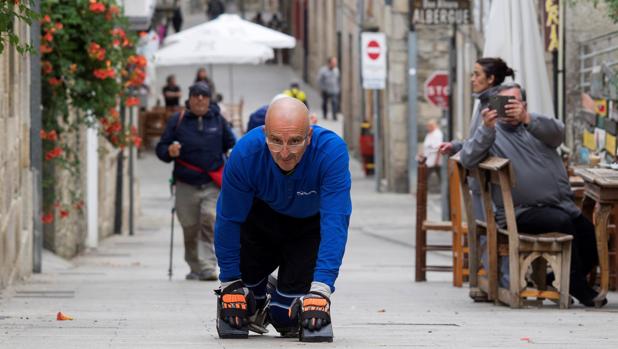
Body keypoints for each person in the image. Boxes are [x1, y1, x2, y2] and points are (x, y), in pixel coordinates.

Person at [214, 96, 351, 340]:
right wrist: (230, 282)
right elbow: (228, 219)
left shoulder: (331, 152)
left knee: (287, 318)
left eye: (295, 141)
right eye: (276, 141)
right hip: (261, 225)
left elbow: (335, 221)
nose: (285, 153)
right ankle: (258, 291)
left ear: (309, 136)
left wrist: (321, 290)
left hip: (306, 229)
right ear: (265, 134)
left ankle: (280, 300)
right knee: (242, 310)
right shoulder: (245, 153)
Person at [460, 83, 605, 307]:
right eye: (503, 102)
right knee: (563, 223)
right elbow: (468, 158)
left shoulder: (536, 126)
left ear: (524, 104)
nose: (509, 108)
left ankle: (554, 278)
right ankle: (576, 284)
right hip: (519, 212)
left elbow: (558, 132)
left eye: (514, 102)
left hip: (559, 204)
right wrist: (485, 128)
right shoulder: (491, 133)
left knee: (591, 237)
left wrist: (527, 118)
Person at [156, 83, 236, 282]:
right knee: (190, 226)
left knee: (209, 219)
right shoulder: (178, 120)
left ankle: (208, 266)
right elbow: (161, 148)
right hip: (185, 183)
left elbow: (232, 145)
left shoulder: (218, 121)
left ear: (209, 100)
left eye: (204, 95)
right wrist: (169, 151)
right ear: (189, 99)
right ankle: (194, 266)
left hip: (212, 184)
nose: (200, 99)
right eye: (196, 95)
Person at [317, 56, 340, 121]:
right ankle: (325, 114)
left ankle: (334, 116)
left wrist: (338, 88)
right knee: (325, 103)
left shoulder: (336, 70)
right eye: (333, 62)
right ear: (329, 63)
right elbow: (319, 80)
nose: (335, 64)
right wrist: (323, 88)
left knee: (335, 102)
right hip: (326, 90)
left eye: (335, 62)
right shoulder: (323, 70)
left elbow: (337, 80)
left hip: (334, 90)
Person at [422, 119, 443, 188]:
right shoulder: (429, 134)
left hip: (434, 160)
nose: (428, 128)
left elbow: (438, 147)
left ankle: (446, 193)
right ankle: (422, 191)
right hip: (428, 160)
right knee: (425, 176)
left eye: (429, 126)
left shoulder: (437, 134)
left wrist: (437, 160)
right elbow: (426, 146)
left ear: (433, 126)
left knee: (425, 176)